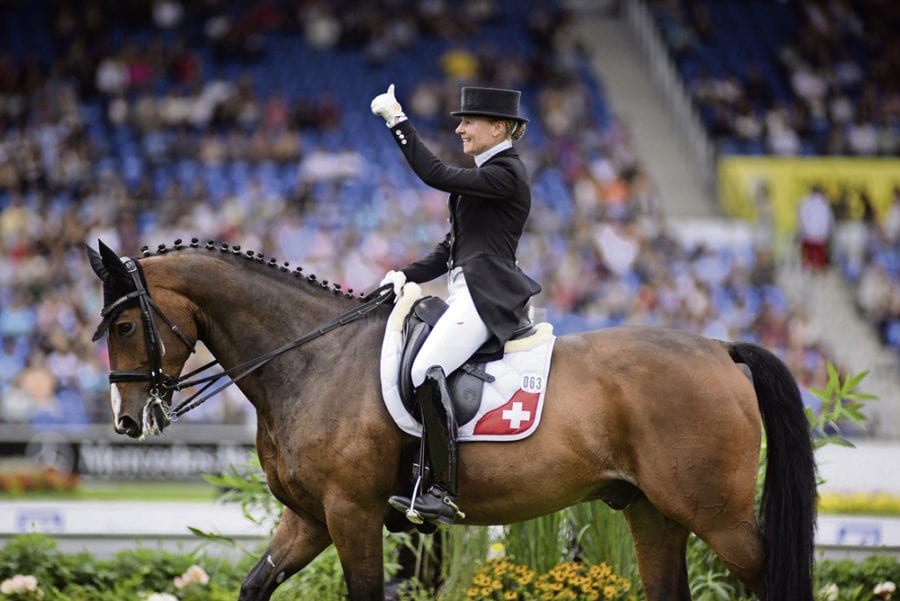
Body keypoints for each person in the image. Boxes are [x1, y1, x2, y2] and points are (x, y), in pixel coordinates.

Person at [370, 84, 541, 526]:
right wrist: (406, 273)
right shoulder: (484, 178)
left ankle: (442, 489)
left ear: (498, 127)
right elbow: (452, 249)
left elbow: (434, 174)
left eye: (469, 122)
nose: (461, 129)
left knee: (427, 368)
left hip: (488, 299)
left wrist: (397, 121)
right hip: (467, 290)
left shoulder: (506, 173)